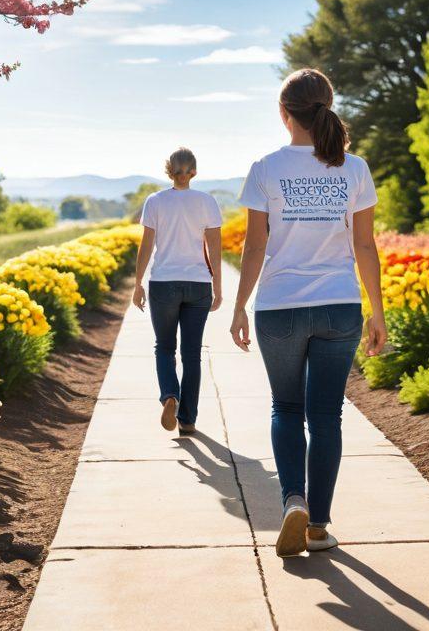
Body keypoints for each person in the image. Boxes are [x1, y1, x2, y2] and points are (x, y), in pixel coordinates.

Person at [229, 68, 386, 557]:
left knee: (286, 408)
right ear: (326, 106)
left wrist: (238, 306)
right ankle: (317, 525)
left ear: (283, 114)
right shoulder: (354, 168)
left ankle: (292, 500)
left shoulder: (266, 167)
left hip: (279, 308)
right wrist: (377, 313)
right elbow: (365, 245)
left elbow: (255, 248)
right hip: (339, 306)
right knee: (326, 416)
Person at [132, 148, 224, 436]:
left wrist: (137, 284)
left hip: (163, 283)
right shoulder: (207, 201)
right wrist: (217, 286)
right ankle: (188, 420)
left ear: (169, 171)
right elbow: (215, 248)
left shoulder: (155, 201)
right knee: (192, 354)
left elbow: (146, 245)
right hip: (198, 285)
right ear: (193, 171)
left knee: (164, 347)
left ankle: (169, 395)